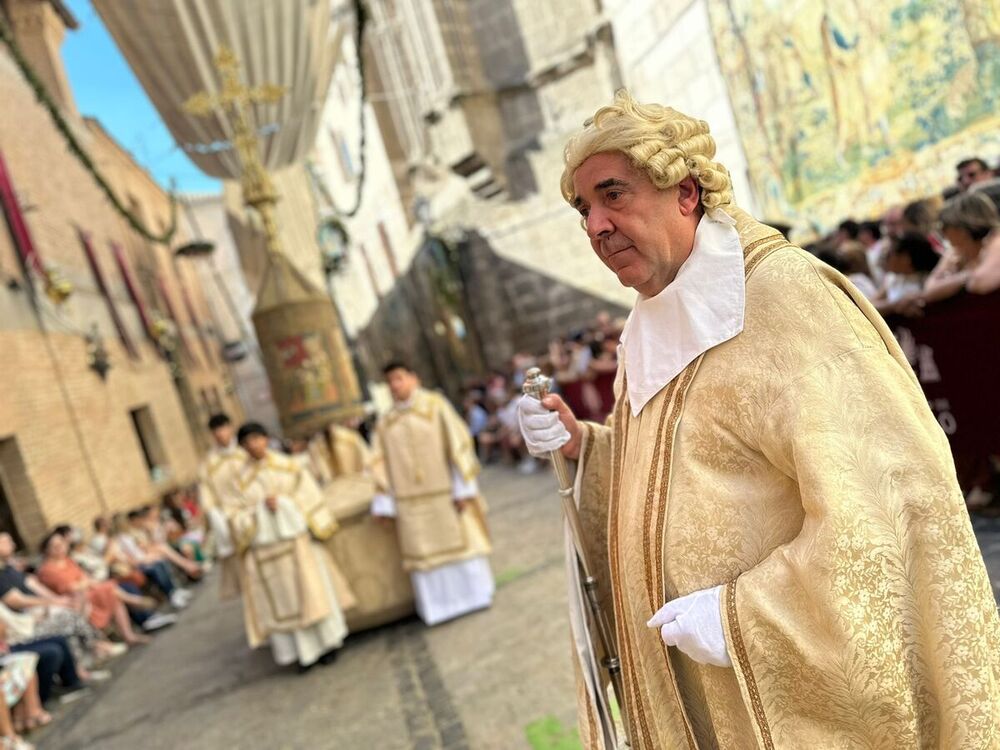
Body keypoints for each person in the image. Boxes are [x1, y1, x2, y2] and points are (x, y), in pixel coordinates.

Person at [518, 91, 1000, 748]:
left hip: (771, 691)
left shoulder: (786, 297)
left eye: (613, 196)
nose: (595, 225)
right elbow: (672, 470)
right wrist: (587, 450)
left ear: (686, 193)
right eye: (583, 209)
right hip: (692, 687)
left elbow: (895, 497)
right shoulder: (647, 321)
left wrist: (744, 619)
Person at [370, 363, 494, 625]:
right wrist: (383, 503)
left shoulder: (435, 406)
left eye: (399, 378)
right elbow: (378, 463)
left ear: (414, 378)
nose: (395, 385)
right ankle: (439, 609)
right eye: (390, 381)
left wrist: (462, 489)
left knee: (462, 543)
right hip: (409, 503)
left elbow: (457, 446)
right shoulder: (385, 421)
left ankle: (475, 596)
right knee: (424, 556)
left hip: (445, 494)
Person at [231, 422, 354, 671]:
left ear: (266, 439)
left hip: (296, 541)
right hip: (267, 550)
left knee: (312, 592)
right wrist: (258, 512)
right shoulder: (241, 482)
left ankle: (327, 644)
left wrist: (285, 505)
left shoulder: (289, 467)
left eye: (257, 438)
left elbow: (310, 496)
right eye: (247, 442)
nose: (253, 445)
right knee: (285, 603)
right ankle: (301, 654)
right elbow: (234, 515)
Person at [36, 533, 151, 646]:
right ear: (47, 550)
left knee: (111, 592)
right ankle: (133, 603)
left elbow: (83, 577)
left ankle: (129, 633)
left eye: (61, 544)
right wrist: (86, 583)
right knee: (109, 589)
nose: (60, 548)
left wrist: (87, 582)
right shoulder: (47, 570)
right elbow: (70, 588)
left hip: (87, 592)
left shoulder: (68, 561)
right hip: (73, 600)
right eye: (55, 546)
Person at [198, 413, 247, 601]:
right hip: (230, 518)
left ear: (230, 427)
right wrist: (218, 520)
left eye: (223, 428)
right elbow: (207, 497)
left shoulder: (245, 450)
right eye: (215, 431)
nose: (220, 434)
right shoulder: (209, 463)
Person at [922, 191, 1000, 304]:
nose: (943, 233)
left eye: (945, 226)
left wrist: (960, 277)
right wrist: (966, 275)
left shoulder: (996, 240)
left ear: (961, 229)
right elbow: (929, 290)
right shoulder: (955, 250)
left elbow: (981, 282)